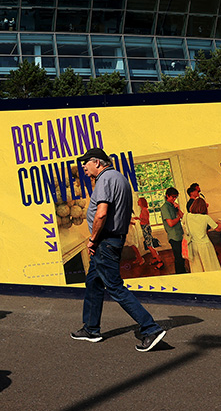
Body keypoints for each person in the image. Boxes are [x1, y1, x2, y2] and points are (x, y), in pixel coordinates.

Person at [69, 148, 167, 352]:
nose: (84, 169)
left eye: (85, 164)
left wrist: (93, 240)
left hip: (105, 242)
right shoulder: (120, 178)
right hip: (112, 240)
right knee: (93, 282)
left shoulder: (105, 179)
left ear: (97, 162)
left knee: (114, 286)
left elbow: (102, 214)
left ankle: (150, 328)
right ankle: (90, 329)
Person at [181, 197, 221, 273]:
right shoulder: (206, 217)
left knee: (196, 267)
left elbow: (183, 223)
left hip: (193, 244)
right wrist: (219, 223)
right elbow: (217, 229)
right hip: (204, 244)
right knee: (210, 266)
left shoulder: (187, 215)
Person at [160, 187, 187, 273]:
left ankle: (183, 272)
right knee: (178, 257)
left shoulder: (173, 206)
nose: (174, 199)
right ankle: (180, 274)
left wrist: (178, 209)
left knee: (182, 256)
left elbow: (183, 216)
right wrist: (178, 217)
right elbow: (170, 223)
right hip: (173, 236)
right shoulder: (165, 207)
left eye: (176, 197)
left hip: (180, 234)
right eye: (173, 197)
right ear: (167, 196)